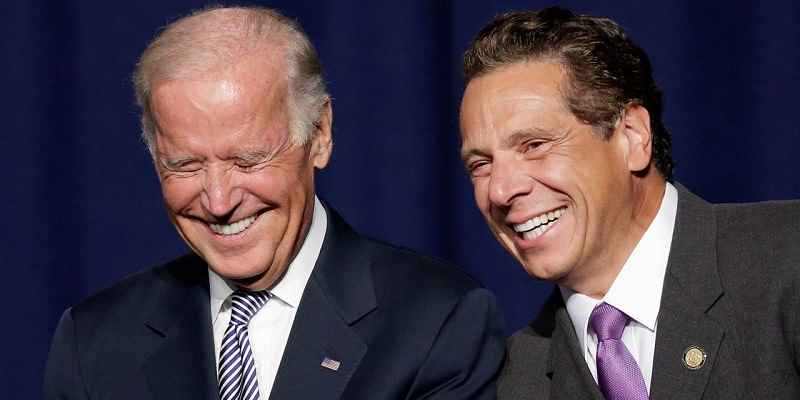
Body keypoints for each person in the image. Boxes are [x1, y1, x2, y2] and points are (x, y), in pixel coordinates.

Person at [44, 6, 504, 400]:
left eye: (247, 159)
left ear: (319, 135)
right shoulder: (94, 343)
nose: (219, 200)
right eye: (184, 165)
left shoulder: (438, 322)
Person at [459, 6, 800, 400]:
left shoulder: (788, 261)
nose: (500, 191)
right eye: (480, 164)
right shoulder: (520, 378)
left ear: (633, 137)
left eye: (534, 145)